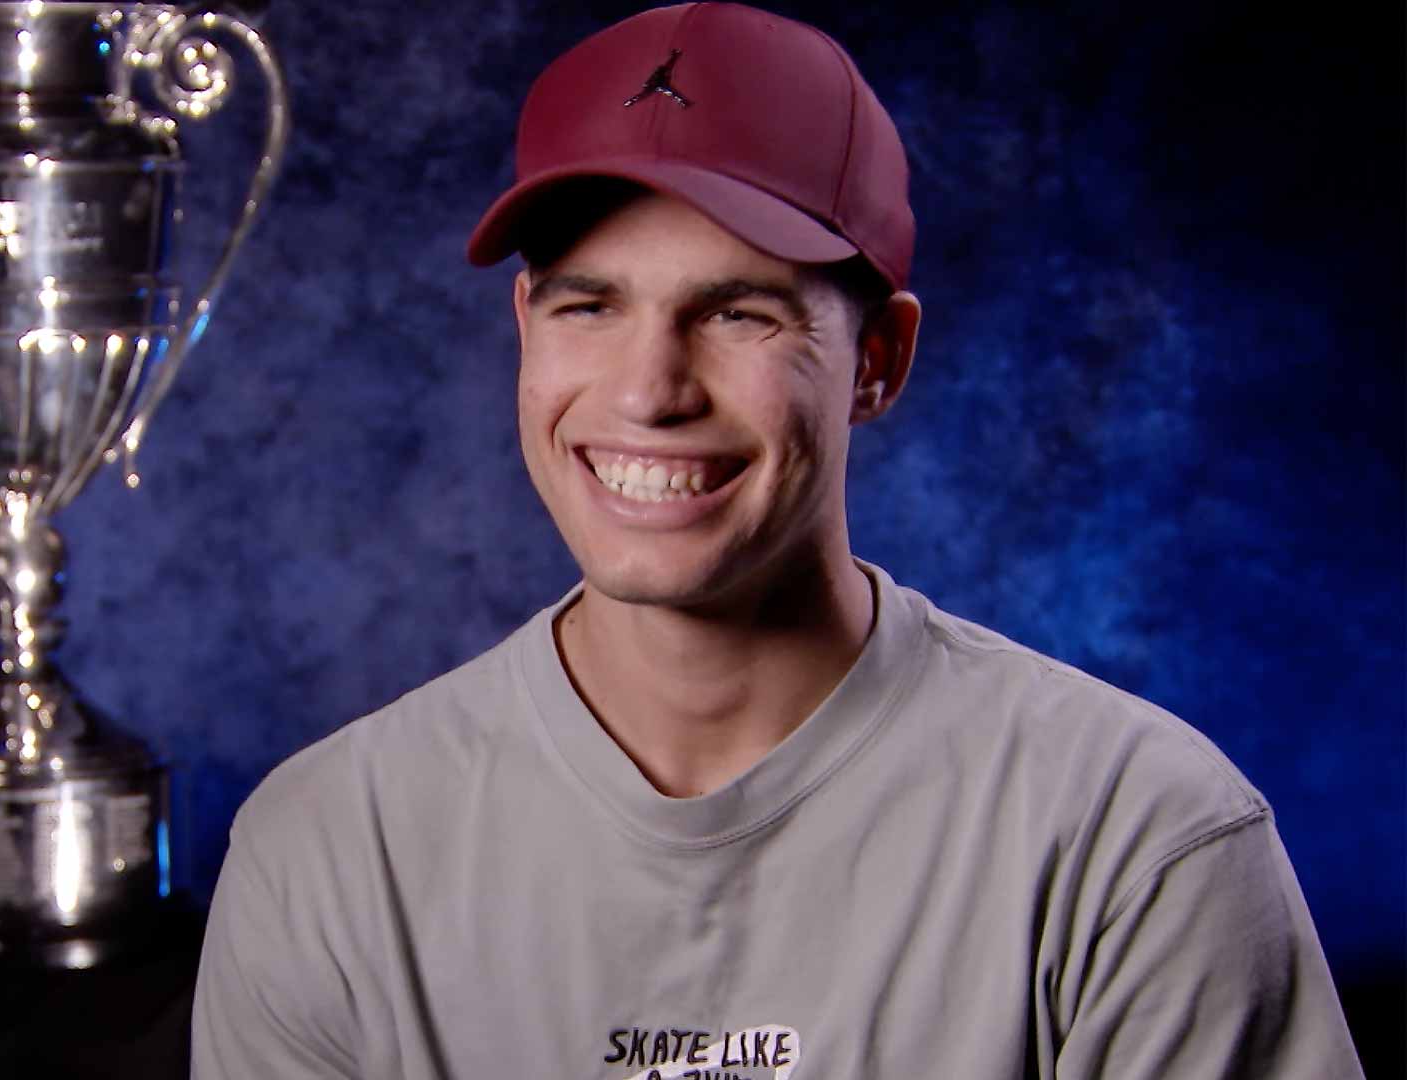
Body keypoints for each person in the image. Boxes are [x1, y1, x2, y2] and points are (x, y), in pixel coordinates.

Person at [190, 4, 1365, 1077]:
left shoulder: (1137, 844)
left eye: (740, 311)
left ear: (878, 360)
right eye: (589, 304)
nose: (648, 391)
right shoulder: (328, 858)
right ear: (524, 325)